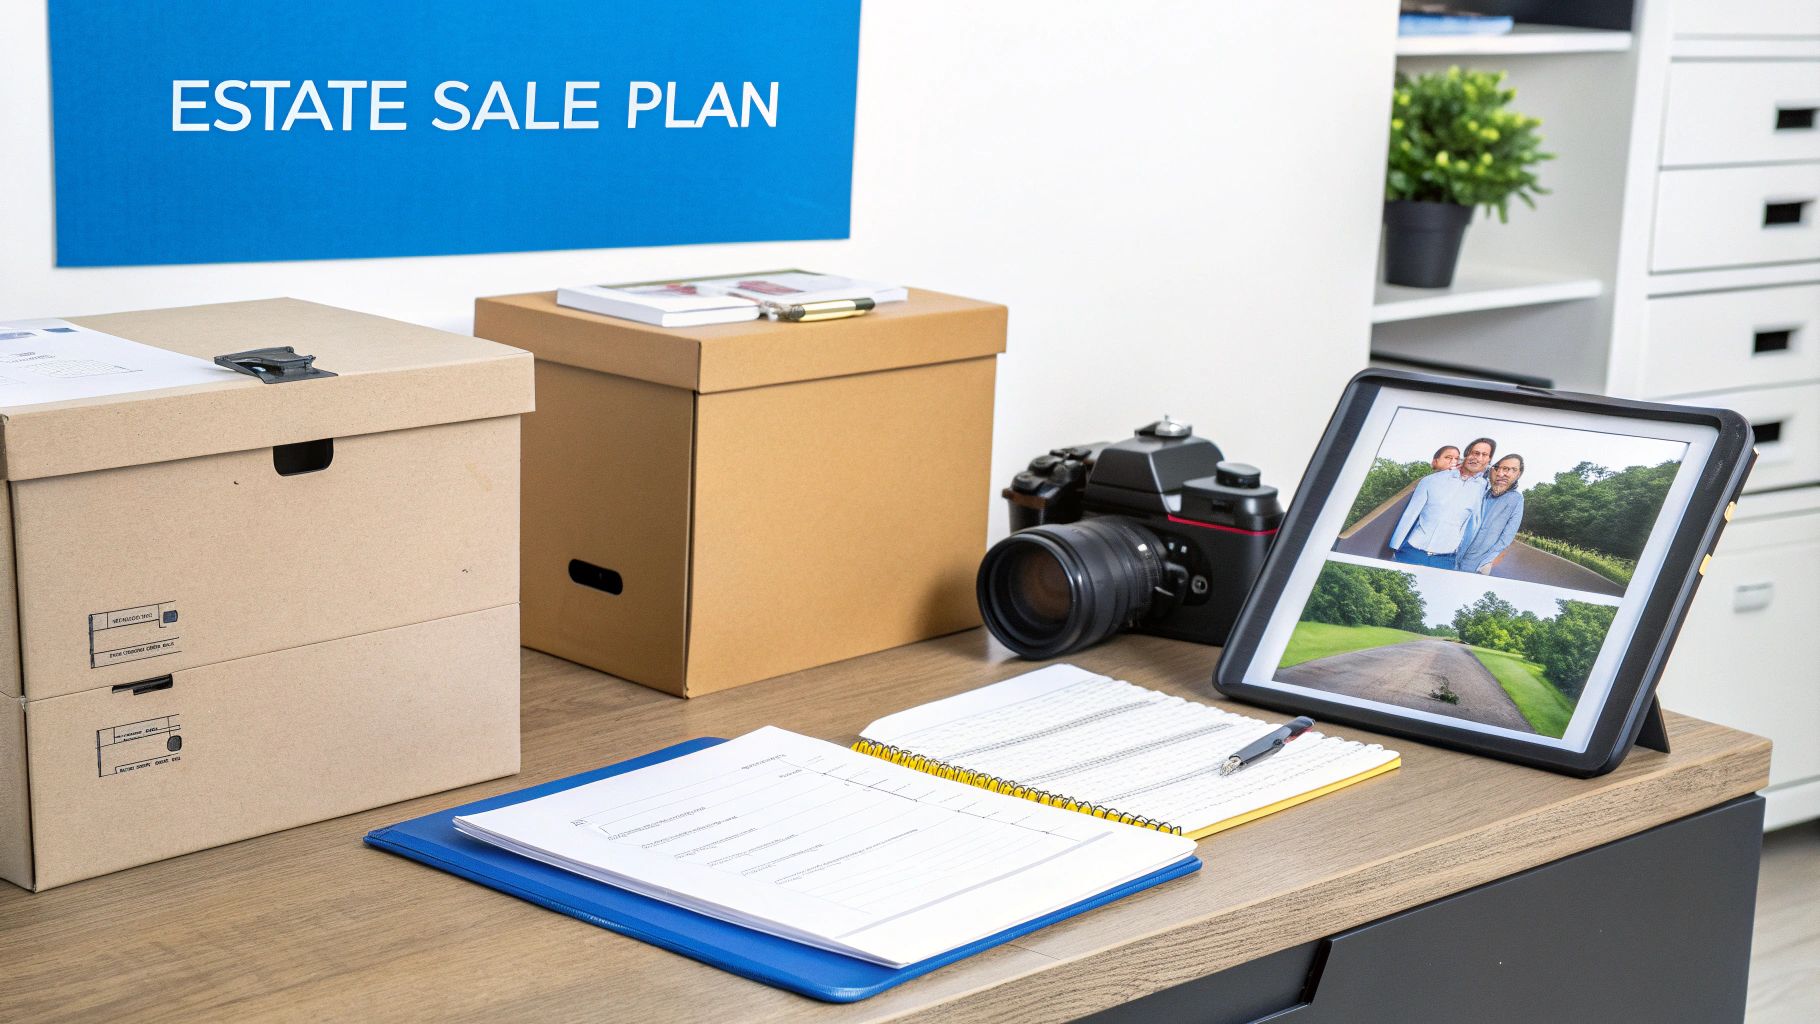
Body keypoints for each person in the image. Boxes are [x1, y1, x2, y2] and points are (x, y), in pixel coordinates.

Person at [1389, 437, 1495, 568]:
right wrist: (1395, 548)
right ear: (1467, 455)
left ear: (1489, 460)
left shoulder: (1485, 490)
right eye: (1475, 453)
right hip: (1410, 552)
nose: (1478, 458)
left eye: (1484, 455)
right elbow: (1410, 515)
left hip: (1446, 560)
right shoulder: (1431, 480)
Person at [1456, 454, 1525, 574]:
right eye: (1501, 468)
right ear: (1493, 470)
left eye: (1513, 470)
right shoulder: (1479, 488)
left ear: (1518, 475)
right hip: (1451, 555)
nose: (1505, 474)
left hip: (1475, 565)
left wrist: (1486, 562)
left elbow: (1506, 537)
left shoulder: (1516, 500)